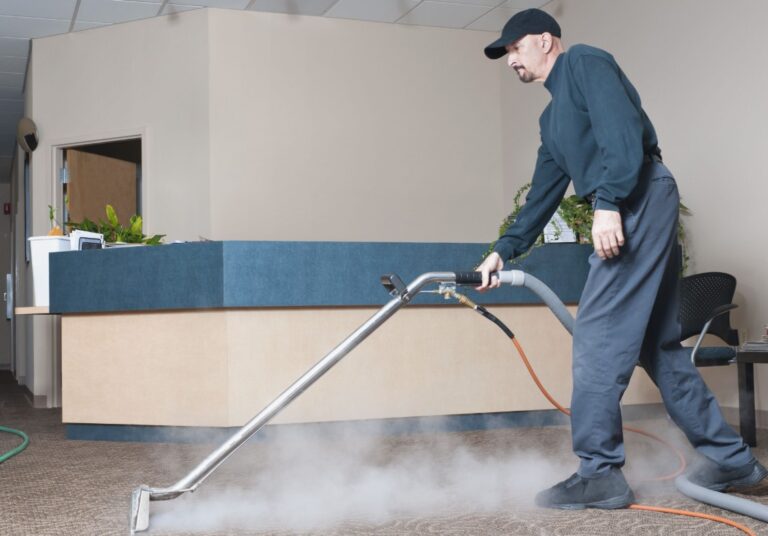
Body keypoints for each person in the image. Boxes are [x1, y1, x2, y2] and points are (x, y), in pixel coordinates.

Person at [476, 8, 766, 510]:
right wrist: (503, 250)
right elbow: (542, 196)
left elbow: (621, 133)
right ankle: (731, 459)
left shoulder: (586, 63)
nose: (509, 60)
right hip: (634, 201)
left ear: (546, 41)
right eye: (505, 54)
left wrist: (608, 203)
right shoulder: (552, 118)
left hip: (638, 196)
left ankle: (599, 473)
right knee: (658, 346)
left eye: (515, 48)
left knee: (596, 334)